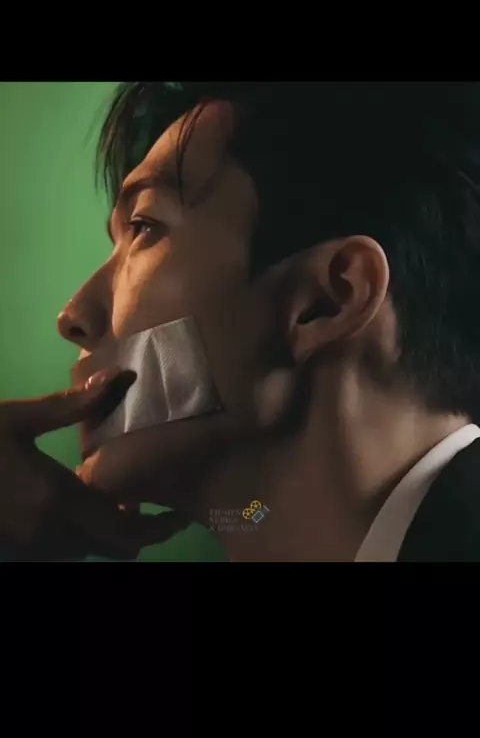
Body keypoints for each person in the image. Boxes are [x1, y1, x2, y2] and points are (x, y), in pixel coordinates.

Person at [3, 81, 480, 562]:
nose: (74, 316)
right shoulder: (253, 514)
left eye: (144, 226)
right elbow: (253, 515)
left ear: (326, 301)